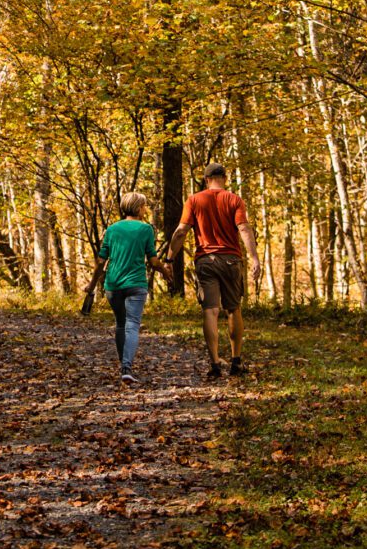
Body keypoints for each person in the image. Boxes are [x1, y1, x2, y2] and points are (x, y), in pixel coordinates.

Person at [166, 163, 259, 378]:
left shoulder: (194, 200)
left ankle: (215, 363)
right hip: (231, 260)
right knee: (234, 309)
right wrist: (254, 257)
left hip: (206, 261)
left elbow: (181, 232)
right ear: (224, 178)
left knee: (210, 310)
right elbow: (243, 228)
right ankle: (236, 362)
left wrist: (170, 258)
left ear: (206, 179)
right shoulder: (235, 200)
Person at [84, 192, 172, 384]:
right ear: (139, 208)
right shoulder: (145, 229)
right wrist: (166, 274)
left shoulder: (112, 229)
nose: (145, 209)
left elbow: (100, 261)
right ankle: (127, 367)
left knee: (121, 323)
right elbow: (154, 261)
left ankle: (123, 365)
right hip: (136, 284)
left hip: (113, 285)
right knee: (132, 324)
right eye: (144, 206)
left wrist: (91, 285)